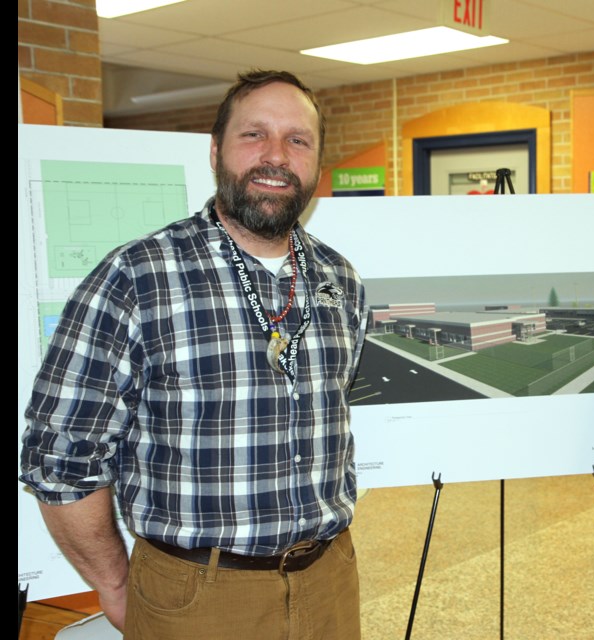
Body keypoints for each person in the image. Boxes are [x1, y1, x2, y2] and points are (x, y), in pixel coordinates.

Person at [21, 70, 366, 639]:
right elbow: (61, 458)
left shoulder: (339, 278)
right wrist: (113, 585)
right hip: (197, 598)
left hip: (330, 582)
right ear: (215, 151)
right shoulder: (136, 278)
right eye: (254, 135)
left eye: (297, 140)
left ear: (318, 165)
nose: (276, 155)